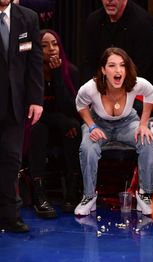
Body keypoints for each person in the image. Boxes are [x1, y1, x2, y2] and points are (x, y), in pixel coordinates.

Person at [75, 47, 153, 216]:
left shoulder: (135, 84)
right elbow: (80, 104)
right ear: (104, 70)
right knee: (88, 147)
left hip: (127, 123)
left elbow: (151, 92)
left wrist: (143, 123)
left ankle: (144, 194)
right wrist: (91, 126)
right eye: (112, 66)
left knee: (147, 140)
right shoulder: (90, 87)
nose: (118, 70)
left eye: (122, 65)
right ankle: (89, 196)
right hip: (98, 124)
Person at [27, 29, 82, 218]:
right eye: (44, 45)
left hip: (62, 126)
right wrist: (60, 120)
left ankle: (72, 190)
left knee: (74, 127)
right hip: (37, 125)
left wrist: (58, 75)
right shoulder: (30, 74)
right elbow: (32, 112)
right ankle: (39, 193)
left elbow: (69, 108)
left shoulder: (71, 71)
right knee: (38, 130)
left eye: (55, 44)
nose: (51, 49)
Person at [0, 0, 44, 232]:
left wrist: (36, 99)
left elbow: (35, 61)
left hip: (14, 104)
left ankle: (10, 216)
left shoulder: (28, 18)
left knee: (11, 160)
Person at [82, 0, 153, 96]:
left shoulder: (144, 24)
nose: (109, 1)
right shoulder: (93, 21)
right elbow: (90, 65)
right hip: (101, 92)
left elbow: (143, 72)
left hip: (135, 92)